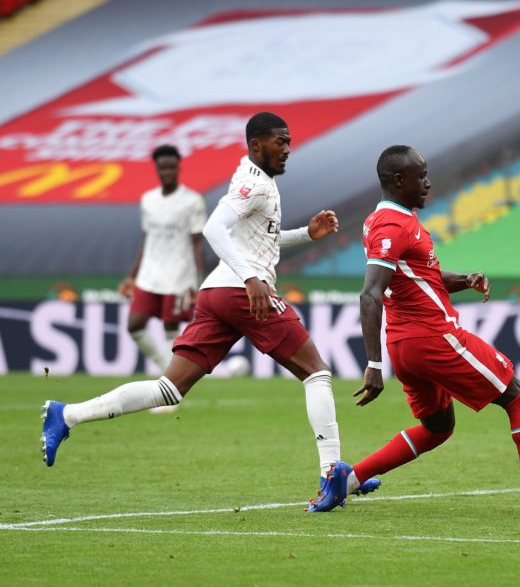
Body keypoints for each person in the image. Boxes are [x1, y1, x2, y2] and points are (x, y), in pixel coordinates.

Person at [40, 112, 378, 511]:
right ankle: (331, 476)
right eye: (280, 142)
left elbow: (253, 241)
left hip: (217, 291)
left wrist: (306, 234)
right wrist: (252, 278)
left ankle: (68, 414)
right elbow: (214, 229)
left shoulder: (254, 178)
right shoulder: (255, 184)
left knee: (169, 389)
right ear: (257, 145)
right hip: (240, 291)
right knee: (317, 372)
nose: (287, 149)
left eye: (289, 142)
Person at [333, 145, 520, 517]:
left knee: (438, 427)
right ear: (399, 180)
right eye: (420, 176)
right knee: (518, 396)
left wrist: (464, 279)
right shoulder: (393, 225)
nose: (428, 183)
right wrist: (373, 364)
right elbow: (370, 293)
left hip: (406, 345)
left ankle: (351, 479)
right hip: (433, 337)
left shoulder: (381, 220)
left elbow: (420, 278)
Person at [116, 145, 206, 414]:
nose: (167, 171)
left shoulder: (192, 201)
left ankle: (169, 393)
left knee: (171, 330)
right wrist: (132, 276)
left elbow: (197, 242)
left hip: (179, 275)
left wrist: (199, 282)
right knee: (134, 325)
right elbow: (148, 239)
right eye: (162, 167)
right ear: (156, 169)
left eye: (171, 167)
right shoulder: (148, 200)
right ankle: (166, 377)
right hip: (150, 274)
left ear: (178, 168)